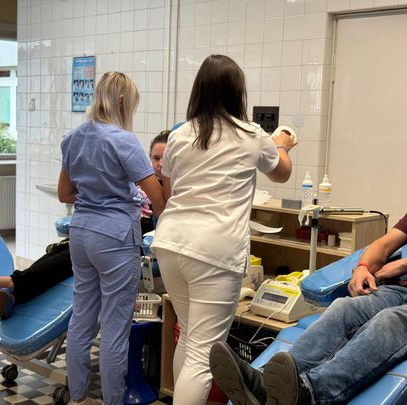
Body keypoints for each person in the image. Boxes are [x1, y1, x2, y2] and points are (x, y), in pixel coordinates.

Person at [150, 54, 297, 405]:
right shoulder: (250, 134)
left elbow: (170, 189)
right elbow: (282, 172)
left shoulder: (179, 135)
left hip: (170, 244)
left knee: (190, 337)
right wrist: (282, 143)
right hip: (213, 251)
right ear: (237, 92)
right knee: (204, 353)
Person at [209, 214, 407, 405]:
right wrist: (362, 267)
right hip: (396, 289)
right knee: (344, 307)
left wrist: (402, 265)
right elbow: (384, 244)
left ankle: (310, 393)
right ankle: (263, 384)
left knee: (389, 321)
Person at [0, 130, 172, 319]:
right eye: (155, 158)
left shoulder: (170, 187)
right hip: (113, 224)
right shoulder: (138, 180)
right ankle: (13, 294)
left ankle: (13, 284)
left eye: (165, 158)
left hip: (138, 231)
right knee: (62, 249)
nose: (160, 164)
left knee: (70, 256)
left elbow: (162, 215)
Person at [58, 71, 166, 405]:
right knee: (115, 329)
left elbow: (65, 193)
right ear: (121, 101)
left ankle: (77, 397)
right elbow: (157, 199)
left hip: (81, 234)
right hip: (115, 238)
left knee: (81, 320)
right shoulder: (122, 140)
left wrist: (95, 194)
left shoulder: (73, 137)